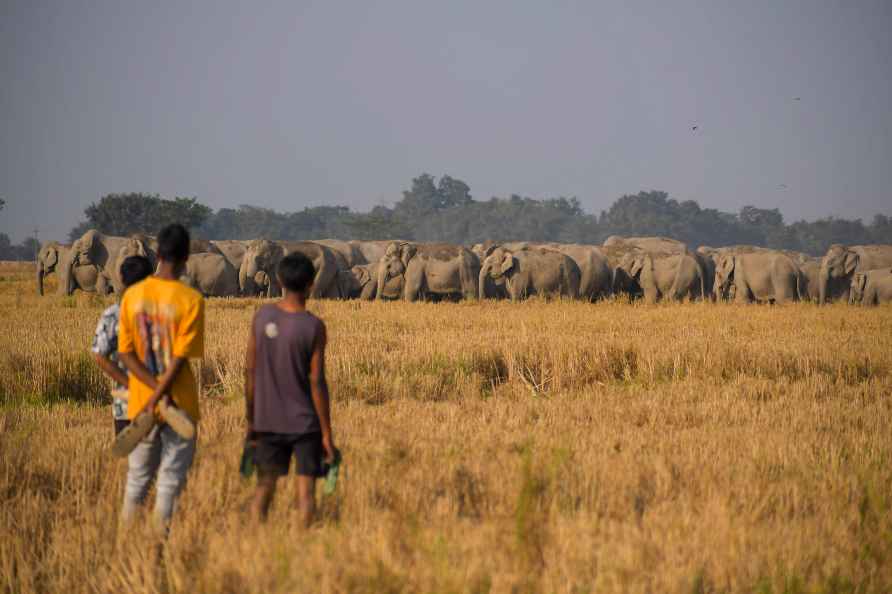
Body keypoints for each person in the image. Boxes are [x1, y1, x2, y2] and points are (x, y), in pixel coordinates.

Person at [117, 224, 205, 526]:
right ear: (186, 257)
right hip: (178, 403)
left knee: (136, 481)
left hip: (141, 403)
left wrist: (151, 392)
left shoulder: (132, 296)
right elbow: (180, 358)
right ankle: (158, 548)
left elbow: (125, 354)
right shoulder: (191, 300)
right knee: (169, 482)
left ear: (157, 254)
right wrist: (163, 394)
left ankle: (125, 548)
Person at [245, 251, 335, 526]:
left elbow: (250, 372)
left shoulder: (262, 317)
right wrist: (326, 433)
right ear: (311, 285)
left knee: (264, 488)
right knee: (306, 494)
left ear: (278, 280)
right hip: (305, 423)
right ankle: (303, 547)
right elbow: (317, 382)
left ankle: (253, 543)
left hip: (268, 420)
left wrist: (252, 419)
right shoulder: (314, 326)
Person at [91, 255, 155, 435]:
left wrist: (128, 384)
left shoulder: (113, 314)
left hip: (126, 405)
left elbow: (99, 355)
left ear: (122, 280)